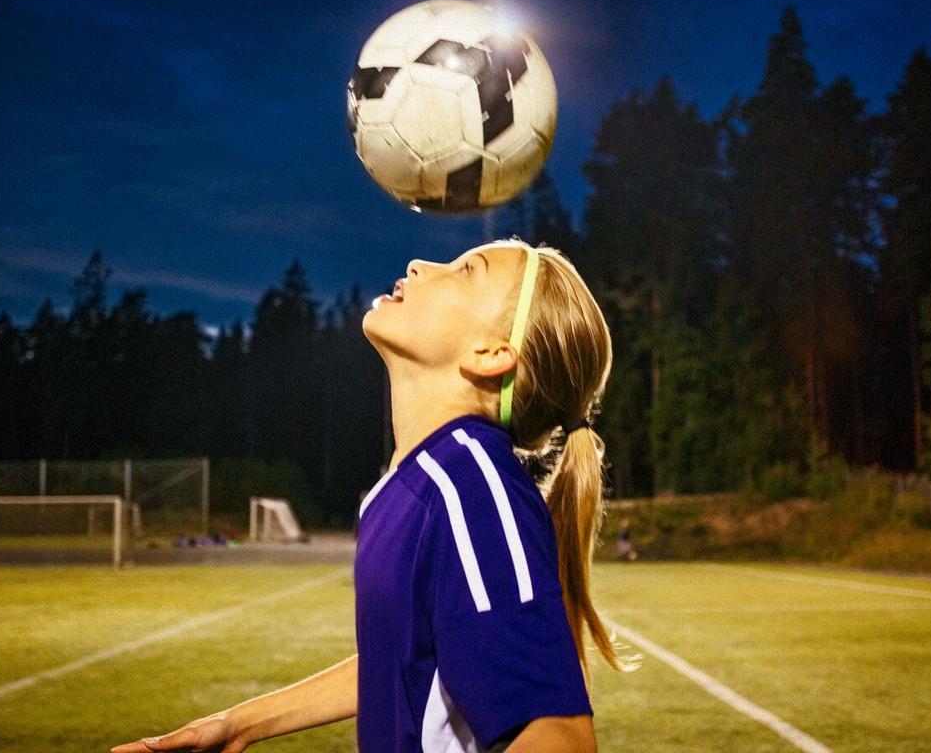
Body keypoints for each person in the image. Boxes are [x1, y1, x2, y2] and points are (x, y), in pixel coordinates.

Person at [111, 238, 635, 753]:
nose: (420, 264)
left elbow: (558, 739)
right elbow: (410, 660)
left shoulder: (472, 489)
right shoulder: (419, 482)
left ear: (492, 353)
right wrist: (240, 724)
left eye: (466, 270)